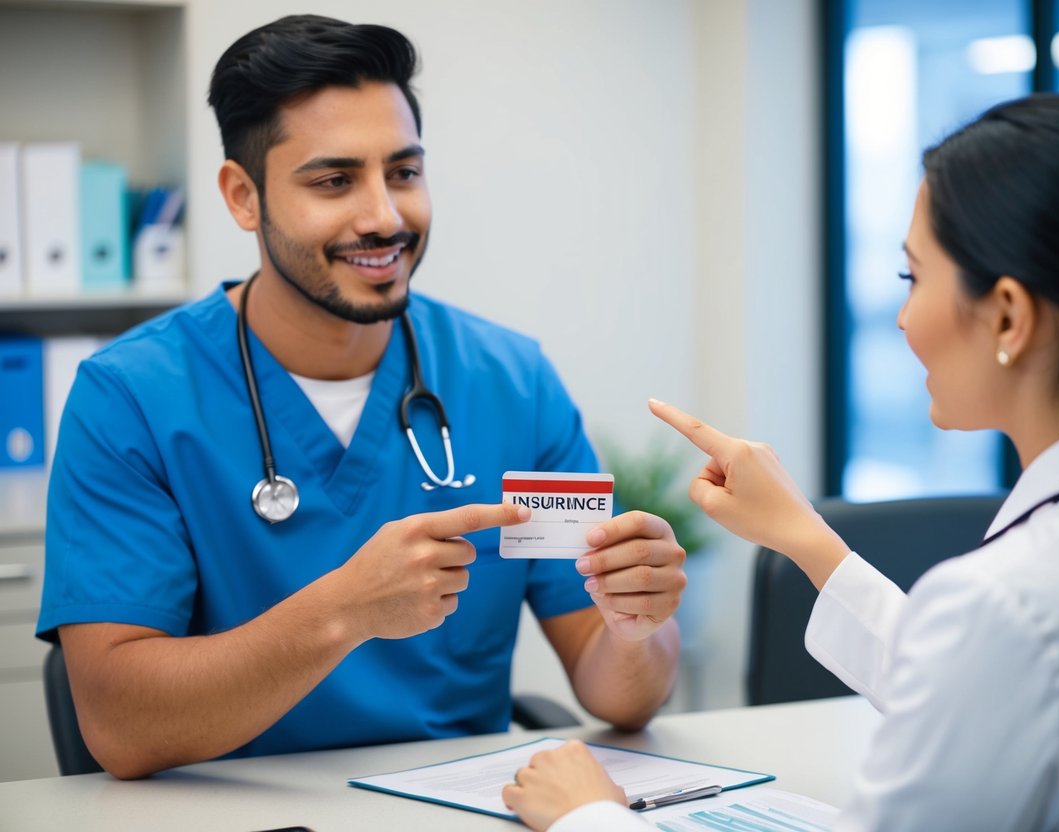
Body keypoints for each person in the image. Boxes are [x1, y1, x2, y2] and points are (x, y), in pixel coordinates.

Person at [502, 93, 1059, 831]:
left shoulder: (1007, 602)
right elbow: (986, 687)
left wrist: (588, 816)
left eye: (913, 278)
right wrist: (806, 540)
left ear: (1006, 314)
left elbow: (997, 655)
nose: (902, 317)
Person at [36, 15, 686, 780]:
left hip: (458, 810)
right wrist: (344, 609)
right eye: (334, 180)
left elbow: (614, 686)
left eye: (403, 173)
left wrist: (637, 625)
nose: (384, 216)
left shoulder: (509, 381)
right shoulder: (131, 398)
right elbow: (118, 724)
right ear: (243, 197)